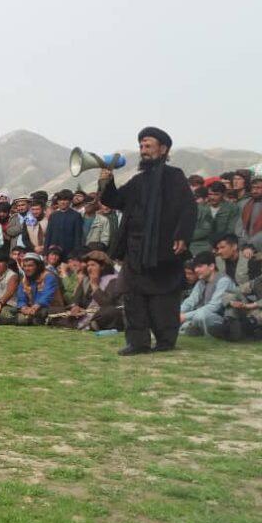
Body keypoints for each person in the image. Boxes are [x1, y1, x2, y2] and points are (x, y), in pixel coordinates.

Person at [98, 127, 196, 355]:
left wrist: (182, 235)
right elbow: (115, 200)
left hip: (164, 249)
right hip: (135, 250)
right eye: (141, 146)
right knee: (133, 297)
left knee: (163, 298)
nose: (143, 150)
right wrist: (106, 180)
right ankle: (137, 342)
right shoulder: (138, 180)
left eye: (148, 146)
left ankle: (165, 341)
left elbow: (189, 208)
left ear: (163, 149)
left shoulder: (175, 176)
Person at [179, 252, 237, 337]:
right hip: (207, 316)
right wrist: (177, 314)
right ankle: (195, 330)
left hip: (224, 318)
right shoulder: (201, 281)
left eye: (199, 266)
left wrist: (185, 316)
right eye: (195, 267)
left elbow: (214, 307)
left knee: (201, 315)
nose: (196, 270)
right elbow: (191, 301)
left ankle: (206, 334)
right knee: (185, 323)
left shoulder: (224, 281)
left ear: (211, 266)